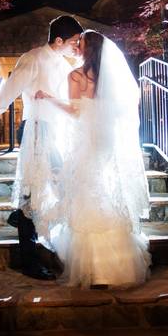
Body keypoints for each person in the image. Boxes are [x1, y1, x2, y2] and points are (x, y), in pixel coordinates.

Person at [35, 30, 151, 288]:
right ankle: (116, 266)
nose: (77, 46)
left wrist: (49, 98)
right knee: (106, 191)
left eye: (81, 43)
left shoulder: (75, 75)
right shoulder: (108, 78)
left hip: (86, 141)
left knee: (86, 192)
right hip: (106, 141)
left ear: (88, 49)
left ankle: (96, 270)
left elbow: (75, 112)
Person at [0, 15, 83, 280]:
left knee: (50, 187)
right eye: (74, 42)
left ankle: (18, 216)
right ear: (59, 40)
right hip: (36, 130)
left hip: (54, 131)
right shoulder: (33, 59)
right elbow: (9, 91)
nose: (77, 46)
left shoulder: (63, 61)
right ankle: (29, 260)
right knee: (36, 191)